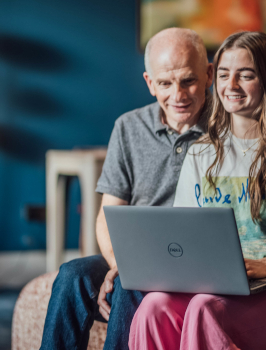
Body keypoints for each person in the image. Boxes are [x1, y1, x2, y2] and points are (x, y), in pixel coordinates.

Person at [128, 31, 266, 350]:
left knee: (205, 309)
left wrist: (265, 266)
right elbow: (185, 240)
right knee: (152, 308)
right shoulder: (201, 153)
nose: (231, 86)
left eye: (246, 75)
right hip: (214, 284)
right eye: (225, 75)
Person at [40, 28, 214, 350]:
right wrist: (120, 262)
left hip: (195, 260)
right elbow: (109, 214)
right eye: (165, 83)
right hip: (137, 255)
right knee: (71, 276)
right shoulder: (128, 126)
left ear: (209, 75)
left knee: (132, 282)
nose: (178, 94)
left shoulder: (229, 126)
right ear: (150, 83)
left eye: (188, 80)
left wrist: (130, 272)